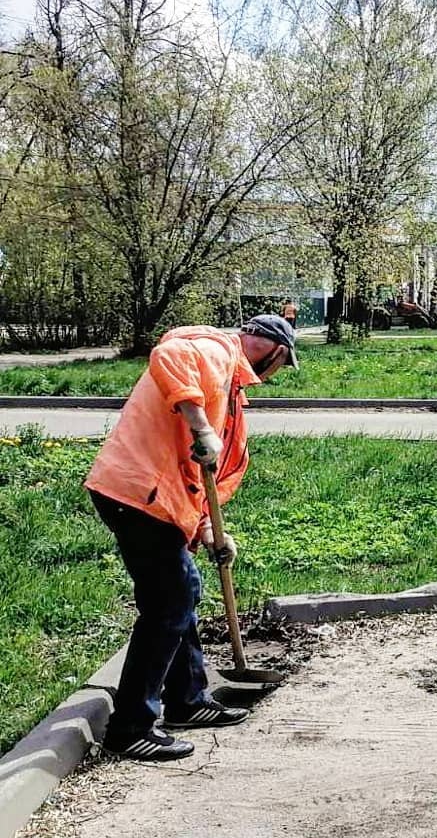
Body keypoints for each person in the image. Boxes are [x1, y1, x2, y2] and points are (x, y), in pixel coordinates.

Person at [85, 315, 299, 761]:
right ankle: (130, 728)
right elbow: (169, 354)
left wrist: (206, 527)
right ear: (273, 349)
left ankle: (187, 700)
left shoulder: (228, 383)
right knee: (173, 597)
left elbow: (200, 472)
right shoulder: (217, 350)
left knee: (177, 595)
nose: (274, 376)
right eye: (282, 364)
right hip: (139, 492)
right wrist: (201, 426)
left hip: (150, 496)